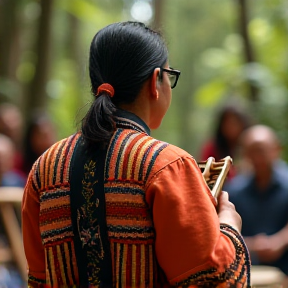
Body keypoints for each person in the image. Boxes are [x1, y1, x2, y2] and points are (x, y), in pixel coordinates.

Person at [22, 21, 250, 287]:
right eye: (170, 75)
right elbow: (212, 282)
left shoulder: (44, 168)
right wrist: (228, 226)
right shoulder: (166, 165)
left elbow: (39, 278)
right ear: (156, 81)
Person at [227, 125, 288, 275]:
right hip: (247, 270)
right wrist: (252, 244)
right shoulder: (233, 191)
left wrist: (279, 242)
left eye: (260, 150)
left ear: (276, 150)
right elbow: (223, 230)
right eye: (251, 151)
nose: (256, 157)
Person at [200, 104, 251, 180]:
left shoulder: (251, 146)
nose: (231, 127)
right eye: (227, 123)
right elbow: (206, 176)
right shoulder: (212, 148)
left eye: (235, 123)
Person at [22, 111, 57, 176]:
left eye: (49, 135)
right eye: (43, 136)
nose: (48, 140)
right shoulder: (21, 165)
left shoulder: (59, 164)